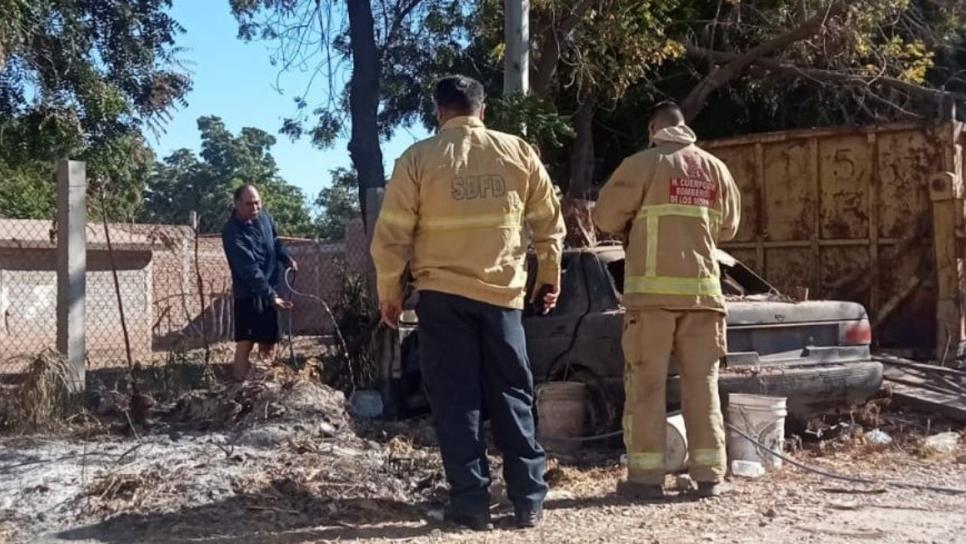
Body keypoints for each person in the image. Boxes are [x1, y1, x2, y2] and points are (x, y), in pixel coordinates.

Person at [370, 75, 565, 531]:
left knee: (457, 403)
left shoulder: (417, 159)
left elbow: (391, 236)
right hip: (503, 300)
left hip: (441, 299)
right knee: (514, 395)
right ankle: (528, 501)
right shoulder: (518, 152)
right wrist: (549, 278)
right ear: (483, 111)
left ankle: (471, 506)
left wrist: (390, 294)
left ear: (440, 113)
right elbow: (549, 226)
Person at [593, 101, 740, 499]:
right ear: (683, 126)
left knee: (646, 386)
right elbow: (728, 228)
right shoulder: (716, 169)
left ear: (652, 128)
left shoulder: (642, 164)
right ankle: (709, 475)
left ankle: (645, 479)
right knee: (703, 386)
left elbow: (604, 218)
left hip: (651, 300)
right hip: (705, 298)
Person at [222, 184, 297, 380]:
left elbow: (275, 242)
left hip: (271, 290)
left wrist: (286, 257)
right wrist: (271, 295)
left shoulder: (265, 218)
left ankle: (266, 386)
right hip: (248, 294)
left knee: (269, 341)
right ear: (237, 204)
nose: (255, 208)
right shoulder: (232, 231)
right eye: (249, 204)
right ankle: (238, 388)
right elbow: (248, 268)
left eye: (257, 203)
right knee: (245, 343)